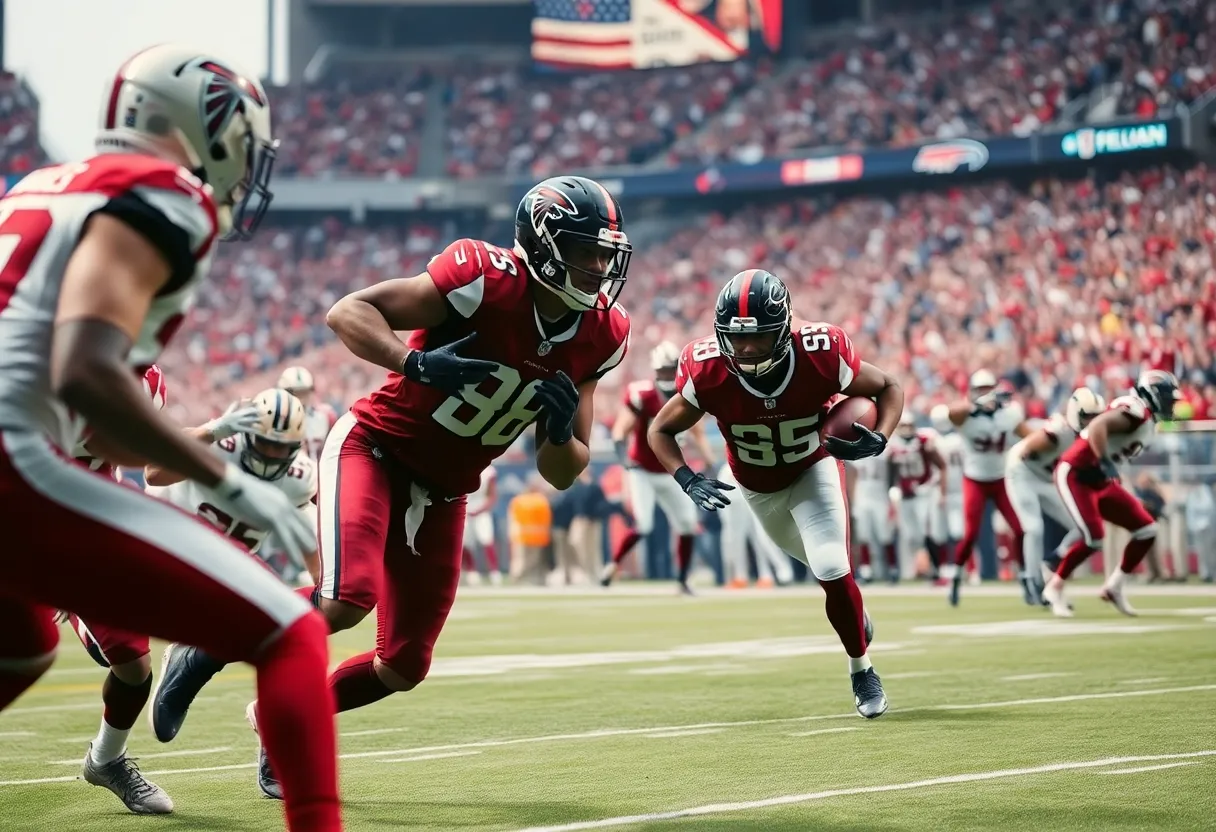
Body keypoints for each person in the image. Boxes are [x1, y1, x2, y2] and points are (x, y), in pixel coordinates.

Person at [150, 175, 631, 796]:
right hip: (375, 448)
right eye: (583, 248)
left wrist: (563, 432)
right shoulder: (486, 279)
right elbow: (347, 311)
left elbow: (560, 471)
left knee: (403, 666)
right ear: (539, 245)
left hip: (447, 489)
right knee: (346, 599)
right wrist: (415, 361)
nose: (598, 265)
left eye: (604, 252)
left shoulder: (603, 335)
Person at [0, 44, 339, 831]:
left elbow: (96, 411)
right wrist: (227, 479)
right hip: (15, 458)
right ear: (209, 122)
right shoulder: (162, 193)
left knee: (21, 641)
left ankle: (108, 757)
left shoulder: (39, 187)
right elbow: (85, 370)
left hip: (30, 454)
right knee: (289, 630)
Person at [649, 269, 901, 718]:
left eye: (758, 338)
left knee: (830, 563)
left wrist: (880, 435)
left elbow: (888, 388)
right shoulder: (706, 369)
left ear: (783, 330)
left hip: (813, 469)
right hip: (756, 488)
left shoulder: (821, 353)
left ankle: (861, 668)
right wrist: (687, 477)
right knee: (823, 573)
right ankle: (852, 615)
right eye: (736, 338)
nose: (745, 349)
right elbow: (661, 430)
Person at [1043, 371, 1180, 617]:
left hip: (1100, 478)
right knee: (1094, 537)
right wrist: (1105, 463)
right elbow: (1098, 426)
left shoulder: (1148, 421)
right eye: (1169, 399)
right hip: (1076, 472)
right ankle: (1054, 586)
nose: (1172, 405)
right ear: (1154, 395)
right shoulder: (1136, 411)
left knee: (1147, 529)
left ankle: (1115, 586)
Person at [602, 341, 715, 593]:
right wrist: (623, 458)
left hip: (671, 470)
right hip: (642, 468)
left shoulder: (685, 393)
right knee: (643, 524)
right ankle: (613, 565)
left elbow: (698, 433)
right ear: (655, 371)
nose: (667, 375)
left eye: (671, 369)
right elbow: (621, 430)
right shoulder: (643, 395)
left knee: (687, 524)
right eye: (663, 370)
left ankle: (683, 580)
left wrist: (709, 463)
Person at [1004, 387, 1104, 604]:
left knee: (1082, 527)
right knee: (1034, 528)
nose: (1092, 423)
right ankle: (1033, 583)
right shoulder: (1060, 431)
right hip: (1022, 473)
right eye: (1087, 417)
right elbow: (1026, 450)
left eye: (1096, 417)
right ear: (1075, 414)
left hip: (1047, 479)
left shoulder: (1092, 437)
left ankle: (1052, 560)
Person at [944, 371, 1030, 605]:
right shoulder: (967, 416)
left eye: (988, 388)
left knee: (1020, 530)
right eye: (980, 389)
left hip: (1002, 478)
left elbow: (1029, 437)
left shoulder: (1009, 413)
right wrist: (976, 403)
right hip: (975, 479)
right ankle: (957, 576)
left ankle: (1025, 577)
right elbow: (953, 412)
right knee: (970, 534)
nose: (985, 393)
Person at [888, 412, 946, 581]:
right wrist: (893, 489)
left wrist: (934, 488)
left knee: (926, 531)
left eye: (909, 426)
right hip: (905, 495)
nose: (906, 430)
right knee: (911, 536)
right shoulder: (893, 445)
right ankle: (922, 568)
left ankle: (936, 569)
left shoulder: (923, 441)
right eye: (903, 426)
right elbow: (892, 473)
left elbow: (940, 465)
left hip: (923, 492)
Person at [718, 462, 794, 588]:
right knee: (735, 538)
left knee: (762, 537)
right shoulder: (726, 471)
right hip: (736, 501)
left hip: (756, 497)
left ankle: (774, 573)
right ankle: (740, 576)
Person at [846, 447, 895, 583]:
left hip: (881, 497)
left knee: (886, 536)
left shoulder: (885, 450)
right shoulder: (857, 450)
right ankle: (866, 570)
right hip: (863, 498)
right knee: (863, 536)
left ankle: (892, 569)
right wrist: (853, 499)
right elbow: (852, 475)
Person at [278, 366, 336, 461]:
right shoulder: (276, 419)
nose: (300, 399)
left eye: (303, 392)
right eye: (294, 393)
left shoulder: (326, 416)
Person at [462, 466, 502, 585]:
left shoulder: (488, 472)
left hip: (481, 509)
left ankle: (494, 572)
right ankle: (471, 571)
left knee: (487, 540)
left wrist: (481, 510)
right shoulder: (463, 467)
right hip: (465, 508)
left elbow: (492, 496)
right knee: (466, 542)